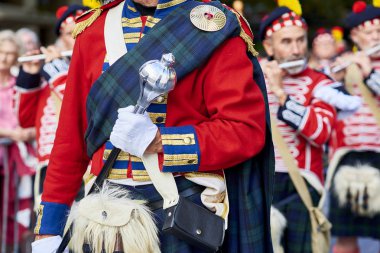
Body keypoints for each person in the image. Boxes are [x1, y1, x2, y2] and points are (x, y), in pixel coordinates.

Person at [31, 0, 274, 252]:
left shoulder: (212, 24)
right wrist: (48, 229)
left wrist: (159, 141)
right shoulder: (95, 29)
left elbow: (244, 131)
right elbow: (71, 137)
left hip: (180, 213)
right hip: (103, 215)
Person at [258, 5, 338, 253]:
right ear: (269, 47)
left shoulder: (322, 82)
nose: (295, 50)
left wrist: (282, 94)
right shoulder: (252, 77)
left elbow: (321, 133)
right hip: (259, 181)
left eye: (301, 40)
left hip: (302, 185)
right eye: (286, 42)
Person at [16, 5, 89, 211]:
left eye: (82, 30)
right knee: (48, 230)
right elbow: (26, 120)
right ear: (61, 39)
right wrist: (29, 77)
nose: (76, 37)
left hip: (85, 163)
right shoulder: (50, 67)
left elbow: (84, 109)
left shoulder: (95, 65)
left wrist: (57, 71)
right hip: (50, 165)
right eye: (70, 34)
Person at [326, 2, 380, 253]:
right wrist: (335, 75)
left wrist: (369, 73)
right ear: (356, 36)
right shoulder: (345, 64)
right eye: (369, 33)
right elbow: (321, 95)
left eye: (379, 32)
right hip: (348, 159)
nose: (376, 37)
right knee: (345, 238)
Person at [0, 29, 36, 253]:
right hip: (6, 149)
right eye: (1, 52)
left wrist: (30, 132)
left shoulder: (19, 83)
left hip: (17, 158)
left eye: (10, 53)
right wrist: (11, 134)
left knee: (13, 208)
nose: (5, 57)